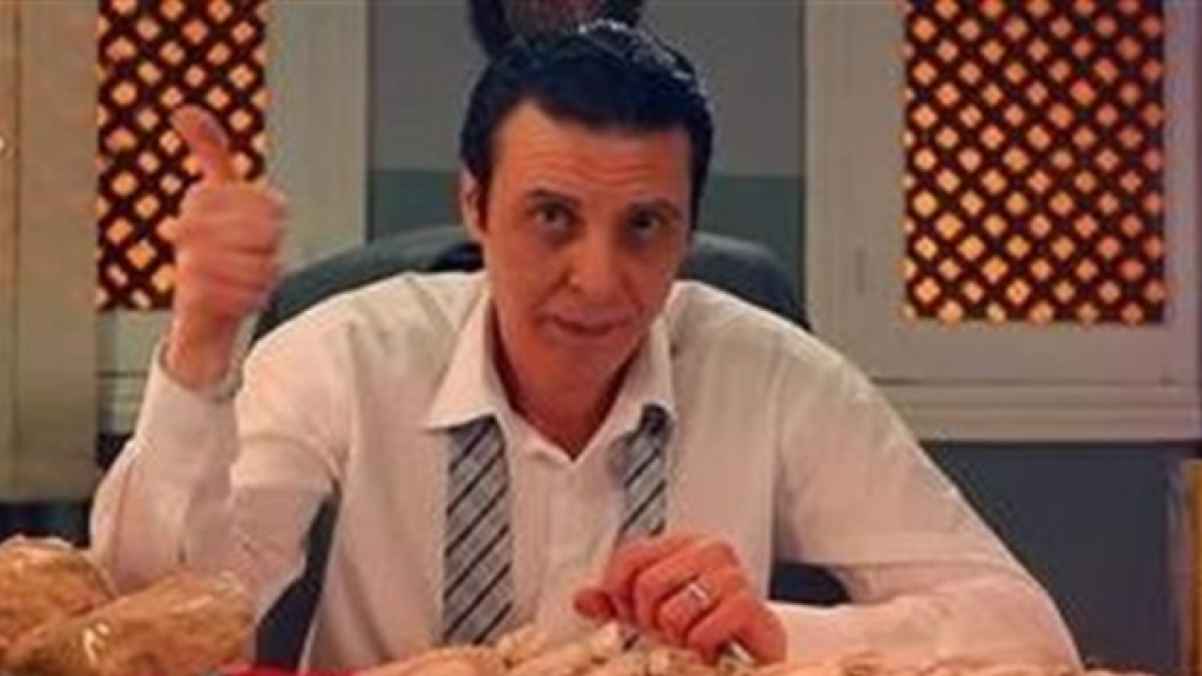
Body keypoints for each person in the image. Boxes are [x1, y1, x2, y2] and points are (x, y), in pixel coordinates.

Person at [90, 21, 1080, 672]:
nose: (600, 281)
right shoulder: (345, 352)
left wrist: (779, 632)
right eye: (552, 217)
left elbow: (1026, 634)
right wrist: (202, 341)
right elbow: (155, 610)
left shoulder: (773, 374)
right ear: (473, 204)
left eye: (644, 226)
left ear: (688, 229)